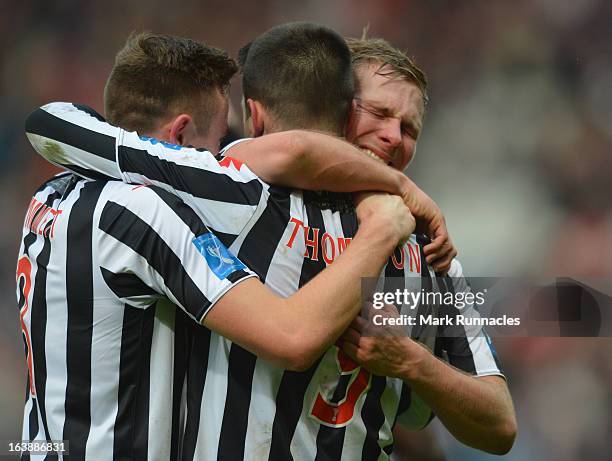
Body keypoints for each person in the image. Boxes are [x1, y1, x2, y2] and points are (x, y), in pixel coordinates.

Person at [26, 24, 514, 458]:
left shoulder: (432, 252)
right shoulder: (234, 190)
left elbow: (500, 424)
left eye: (409, 128)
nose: (392, 137)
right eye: (379, 113)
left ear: (255, 115)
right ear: (336, 107)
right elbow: (296, 151)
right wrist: (391, 197)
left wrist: (414, 363)